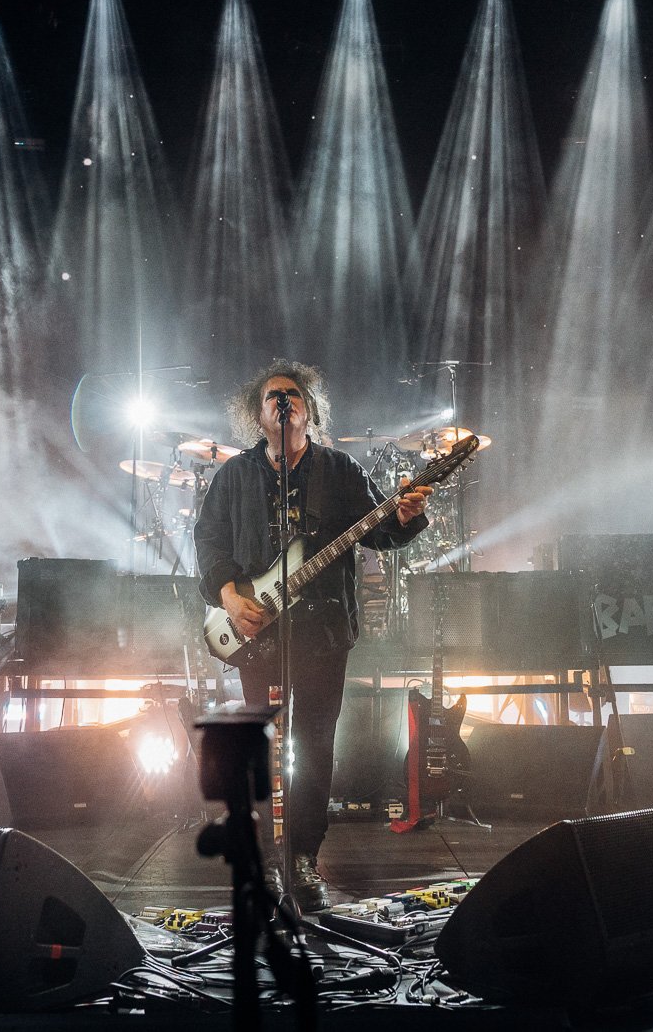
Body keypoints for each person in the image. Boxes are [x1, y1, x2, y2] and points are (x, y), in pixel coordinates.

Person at [194, 361, 431, 910]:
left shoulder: (339, 470)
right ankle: (263, 859)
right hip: (257, 632)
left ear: (310, 409)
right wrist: (229, 596)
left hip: (323, 632)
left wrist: (406, 516)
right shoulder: (235, 475)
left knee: (316, 744)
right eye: (273, 396)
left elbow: (380, 529)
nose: (285, 401)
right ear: (257, 414)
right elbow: (208, 540)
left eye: (294, 394)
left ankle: (302, 858)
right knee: (260, 748)